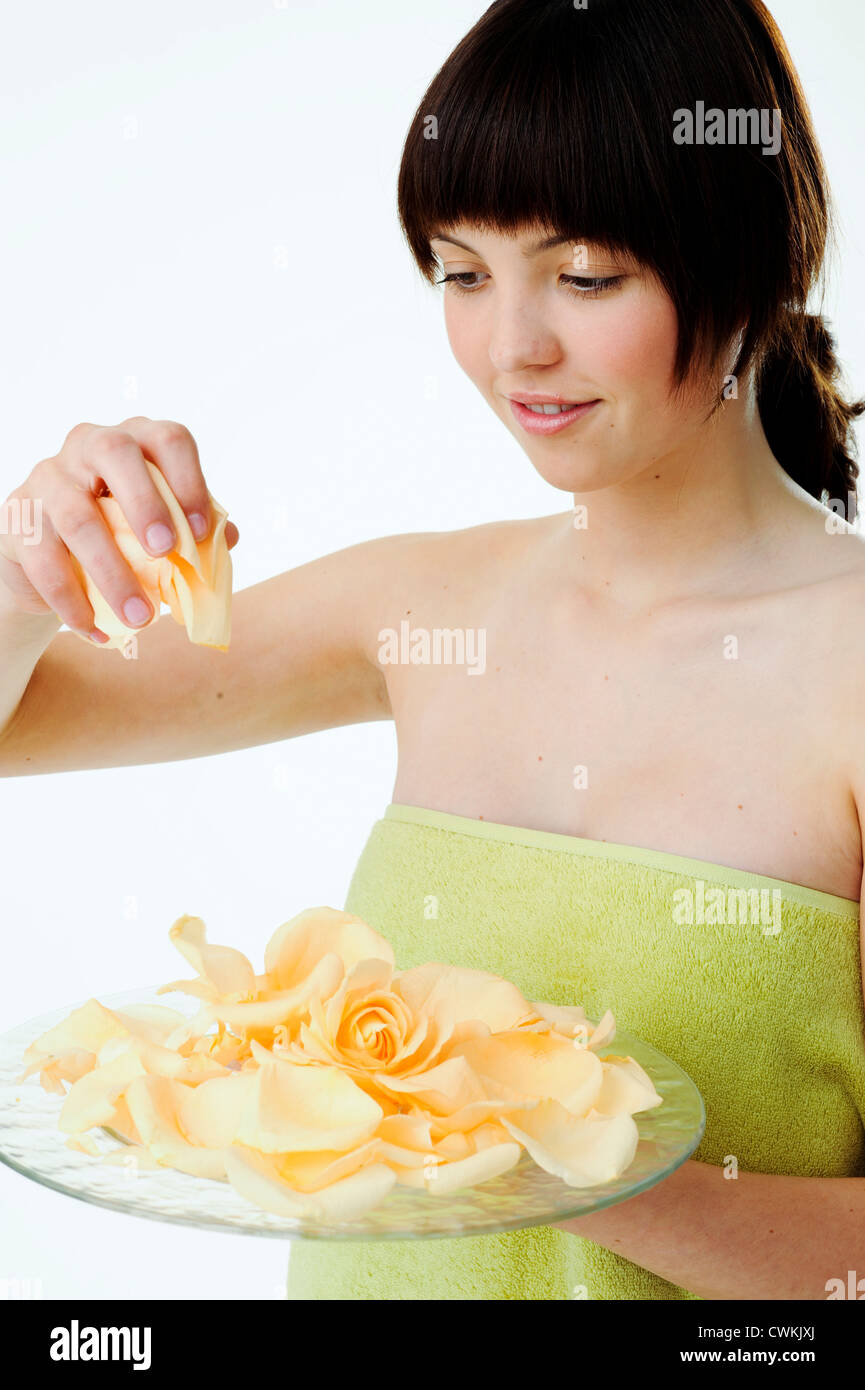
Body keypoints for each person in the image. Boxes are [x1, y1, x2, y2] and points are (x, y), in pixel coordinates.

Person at [2, 0, 864, 1299]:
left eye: (583, 276)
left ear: (749, 259)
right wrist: (32, 562)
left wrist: (571, 1170)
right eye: (461, 272)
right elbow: (24, 721)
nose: (511, 346)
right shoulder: (425, 601)